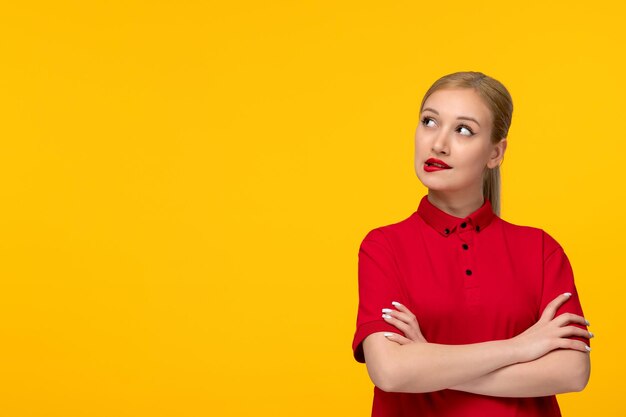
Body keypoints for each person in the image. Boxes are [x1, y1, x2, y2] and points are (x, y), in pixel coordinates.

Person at [351, 71, 592, 417]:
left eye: (463, 130)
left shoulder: (540, 250)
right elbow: (391, 372)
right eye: (429, 122)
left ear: (495, 153)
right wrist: (521, 347)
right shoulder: (383, 247)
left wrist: (429, 362)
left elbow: (571, 371)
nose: (438, 144)